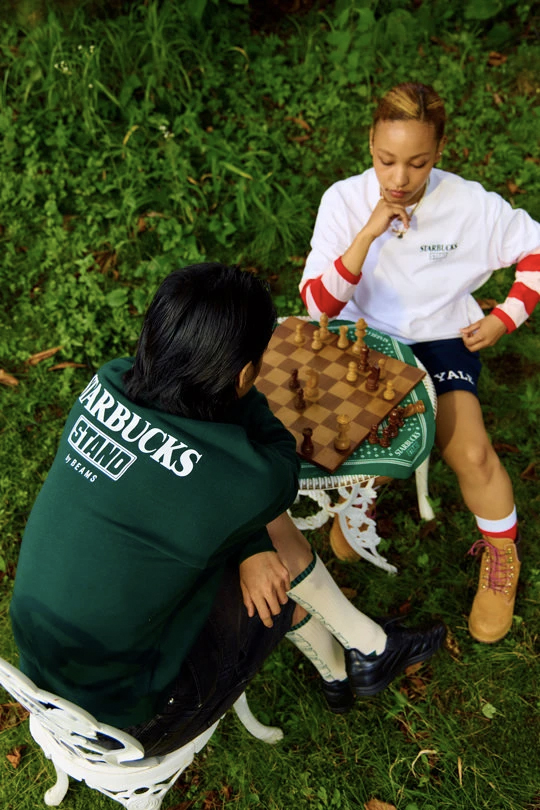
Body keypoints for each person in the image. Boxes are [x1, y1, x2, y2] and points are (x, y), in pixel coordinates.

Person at [10, 263, 445, 755]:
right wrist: (238, 396)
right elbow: (274, 457)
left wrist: (248, 543)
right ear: (242, 375)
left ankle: (358, 658)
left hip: (41, 668)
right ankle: (359, 657)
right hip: (131, 718)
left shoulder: (107, 380)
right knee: (276, 575)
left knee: (260, 541)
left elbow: (195, 491)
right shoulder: (247, 477)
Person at [299, 83, 540, 645]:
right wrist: (368, 232)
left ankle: (502, 556)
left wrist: (505, 317)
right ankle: (361, 498)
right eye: (386, 160)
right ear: (370, 142)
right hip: (368, 340)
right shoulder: (344, 200)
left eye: (418, 162)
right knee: (372, 450)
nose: (399, 179)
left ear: (440, 153)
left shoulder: (470, 204)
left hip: (441, 339)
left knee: (471, 452)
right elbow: (317, 306)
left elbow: (536, 249)